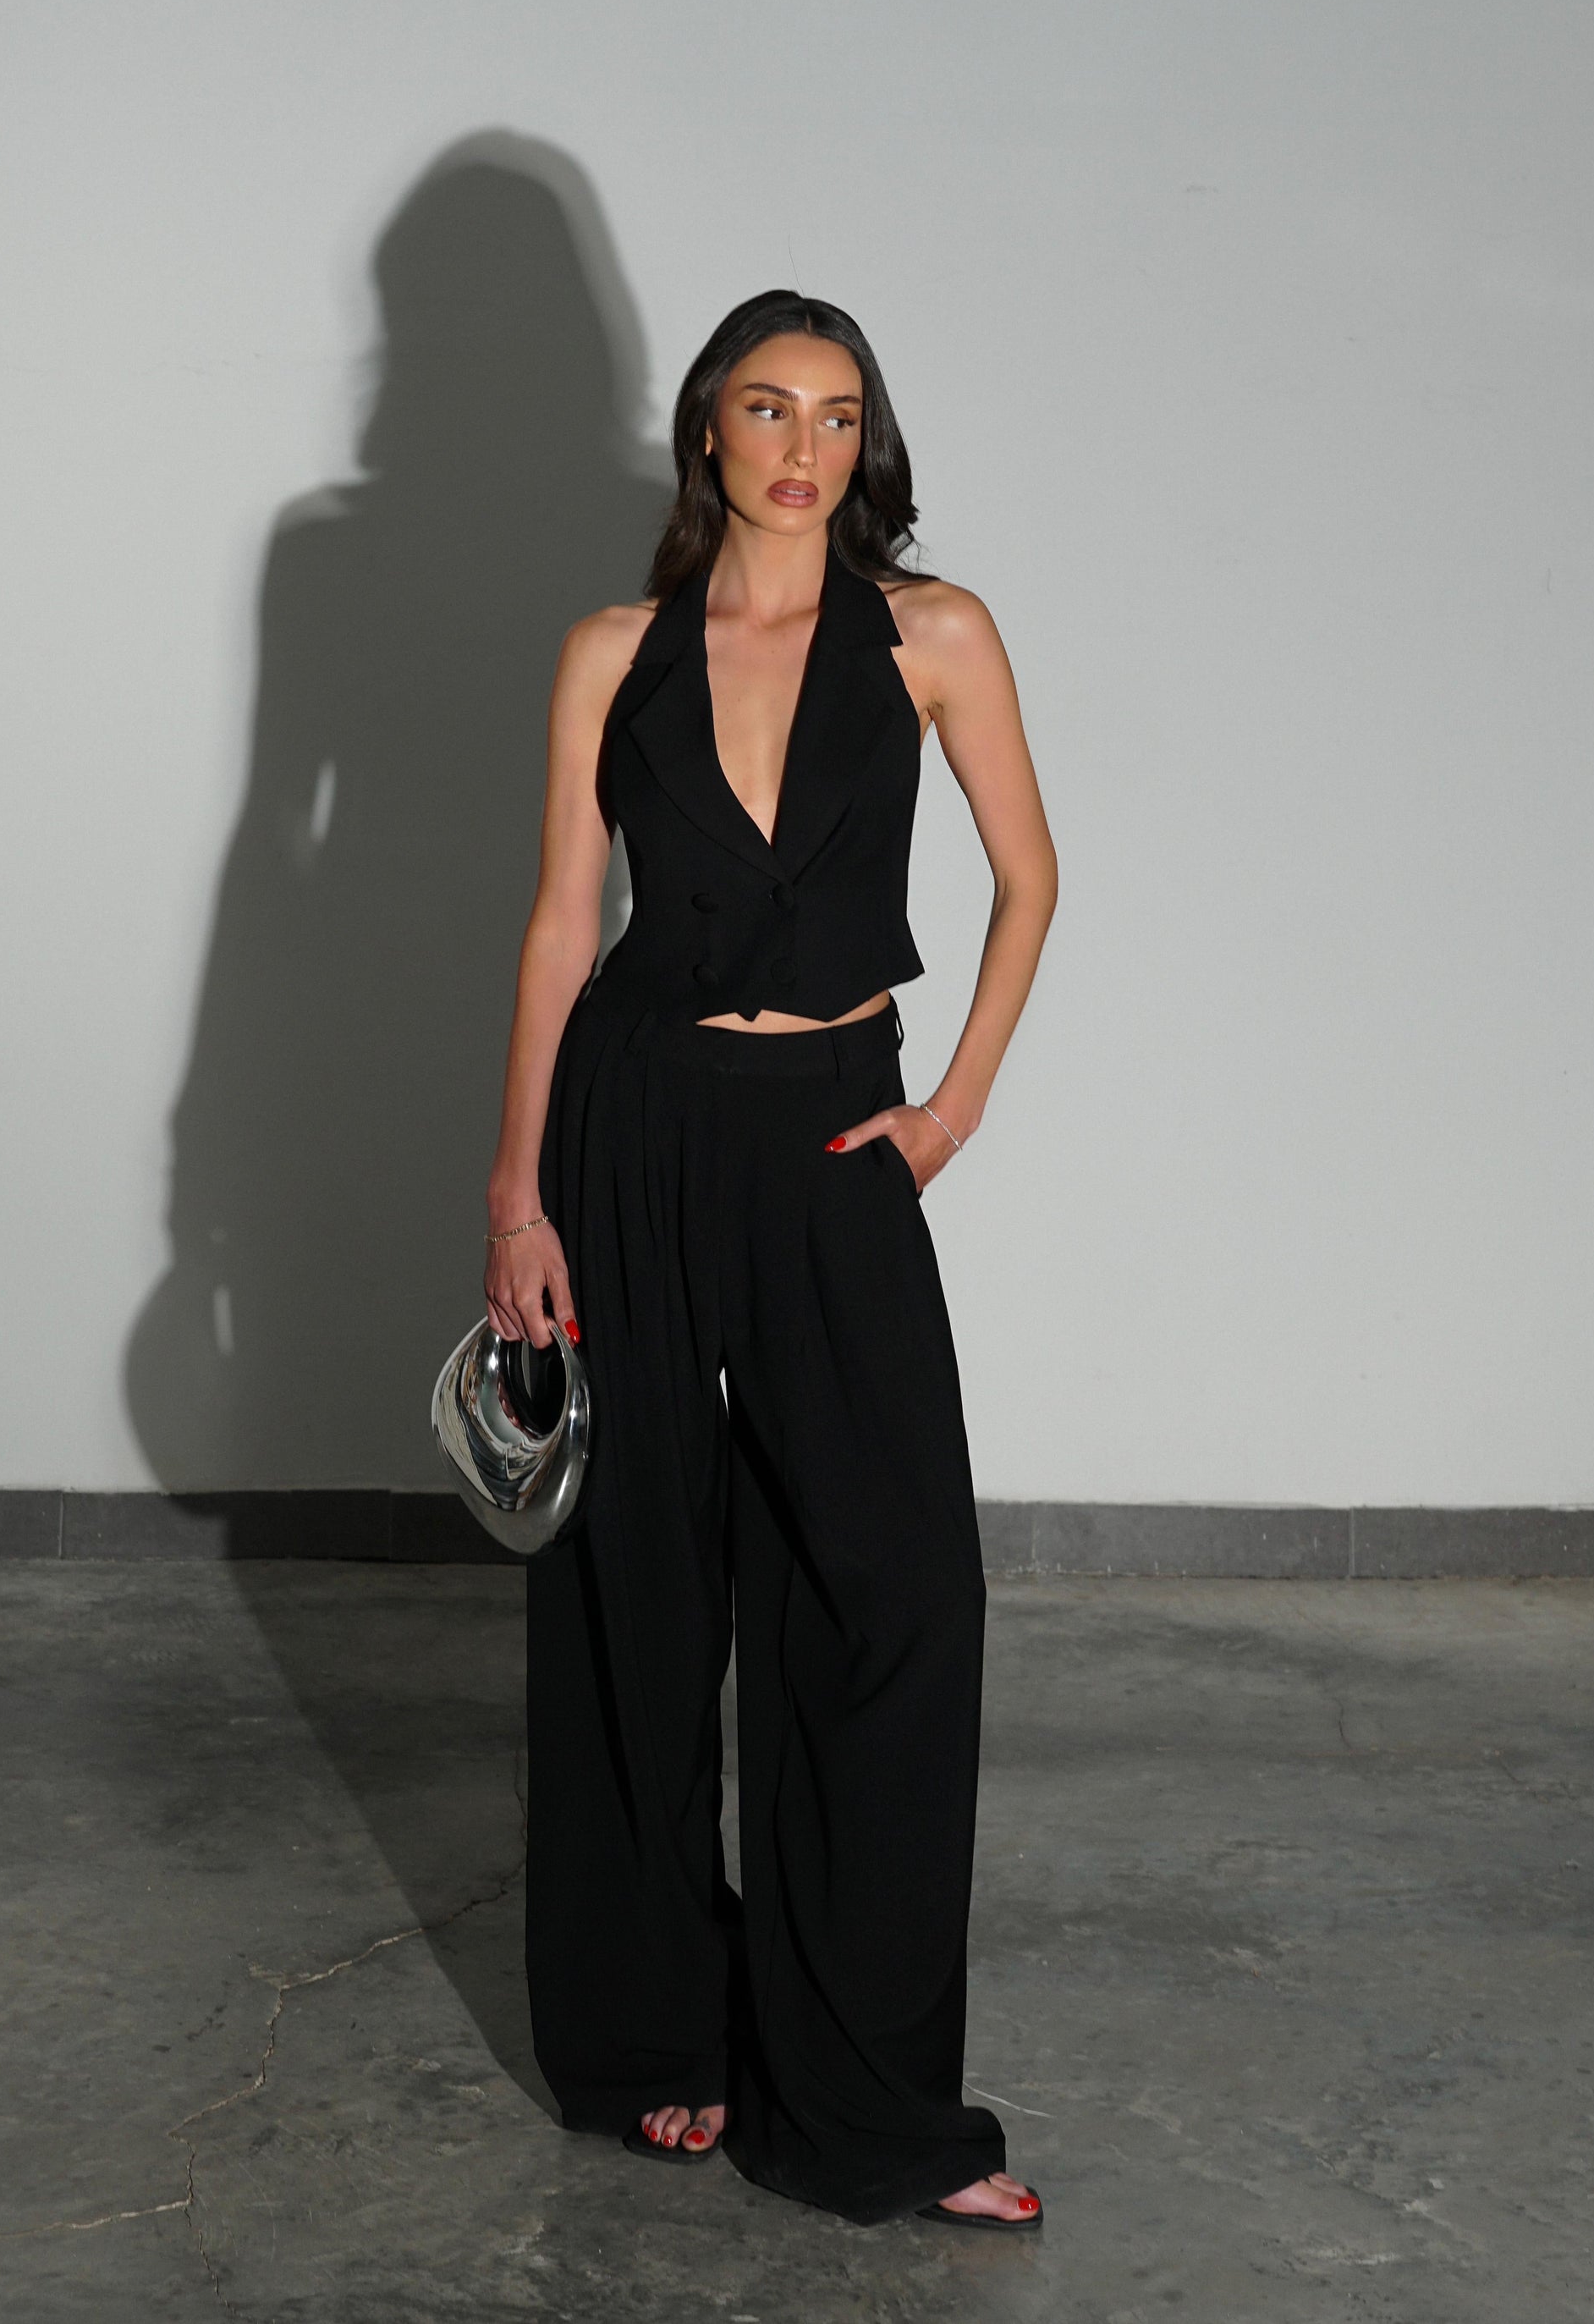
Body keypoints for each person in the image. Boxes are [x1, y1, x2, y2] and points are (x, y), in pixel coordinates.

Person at [481, 289, 1058, 2229]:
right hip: (634, 1126)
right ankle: (658, 2035)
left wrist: (949, 1110)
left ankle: (866, 2099)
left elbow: (1032, 877)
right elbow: (562, 923)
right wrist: (516, 1195)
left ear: (863, 443)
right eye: (765, 407)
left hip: (828, 1135)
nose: (803, 446)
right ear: (706, 432)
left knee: (896, 1591)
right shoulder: (612, 650)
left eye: (835, 413)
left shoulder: (932, 634)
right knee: (635, 1585)